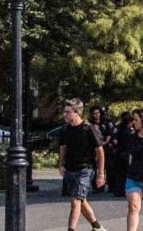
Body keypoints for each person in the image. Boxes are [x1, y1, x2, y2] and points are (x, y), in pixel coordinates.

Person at [58, 98, 107, 231]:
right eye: (64, 111)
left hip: (85, 169)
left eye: (67, 112)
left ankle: (71, 229)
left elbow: (100, 151)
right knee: (81, 200)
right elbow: (63, 147)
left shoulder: (88, 129)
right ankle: (97, 227)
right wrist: (60, 164)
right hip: (70, 169)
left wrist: (100, 174)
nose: (64, 114)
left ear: (77, 112)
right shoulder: (65, 129)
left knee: (75, 201)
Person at [92, 107, 126, 199]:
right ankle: (98, 186)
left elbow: (111, 134)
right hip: (95, 148)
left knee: (110, 168)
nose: (96, 115)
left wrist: (105, 142)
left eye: (98, 113)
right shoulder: (91, 124)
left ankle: (112, 186)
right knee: (97, 168)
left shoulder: (107, 122)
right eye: (94, 113)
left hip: (107, 148)